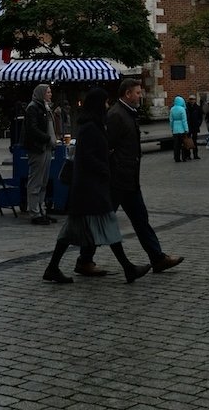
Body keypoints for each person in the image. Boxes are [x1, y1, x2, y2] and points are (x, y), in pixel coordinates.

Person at [42, 87, 151, 285]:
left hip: (86, 190)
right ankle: (128, 268)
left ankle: (53, 267)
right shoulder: (91, 127)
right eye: (105, 102)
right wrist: (105, 169)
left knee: (70, 233)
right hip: (90, 190)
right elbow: (89, 158)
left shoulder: (92, 125)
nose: (108, 105)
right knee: (108, 227)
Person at [77, 78, 184, 276]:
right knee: (103, 220)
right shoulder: (116, 115)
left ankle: (157, 258)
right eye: (137, 93)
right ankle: (84, 260)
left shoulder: (127, 113)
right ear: (127, 94)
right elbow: (106, 146)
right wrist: (111, 169)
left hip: (129, 179)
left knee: (141, 219)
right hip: (117, 180)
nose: (140, 96)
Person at [23, 83, 57, 225]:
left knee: (43, 181)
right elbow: (32, 129)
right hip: (38, 149)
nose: (50, 94)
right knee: (36, 181)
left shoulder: (45, 107)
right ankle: (34, 212)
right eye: (48, 92)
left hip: (46, 148)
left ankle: (41, 209)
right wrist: (47, 138)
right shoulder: (33, 108)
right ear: (42, 93)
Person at [168, 95, 189, 163]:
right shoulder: (182, 109)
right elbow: (184, 120)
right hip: (182, 129)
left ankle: (177, 158)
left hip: (175, 129)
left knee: (176, 145)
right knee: (183, 144)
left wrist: (172, 128)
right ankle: (184, 157)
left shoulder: (172, 109)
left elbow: (171, 120)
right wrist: (186, 129)